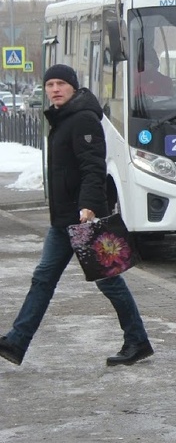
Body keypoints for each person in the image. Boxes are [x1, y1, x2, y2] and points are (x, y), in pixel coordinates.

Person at [0, 64, 154, 367]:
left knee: (109, 282)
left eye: (61, 84)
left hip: (83, 220)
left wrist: (89, 207)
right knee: (43, 279)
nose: (55, 89)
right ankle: (17, 342)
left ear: (73, 86)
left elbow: (93, 166)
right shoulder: (64, 118)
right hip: (63, 222)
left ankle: (137, 340)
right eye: (50, 84)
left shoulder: (82, 119)